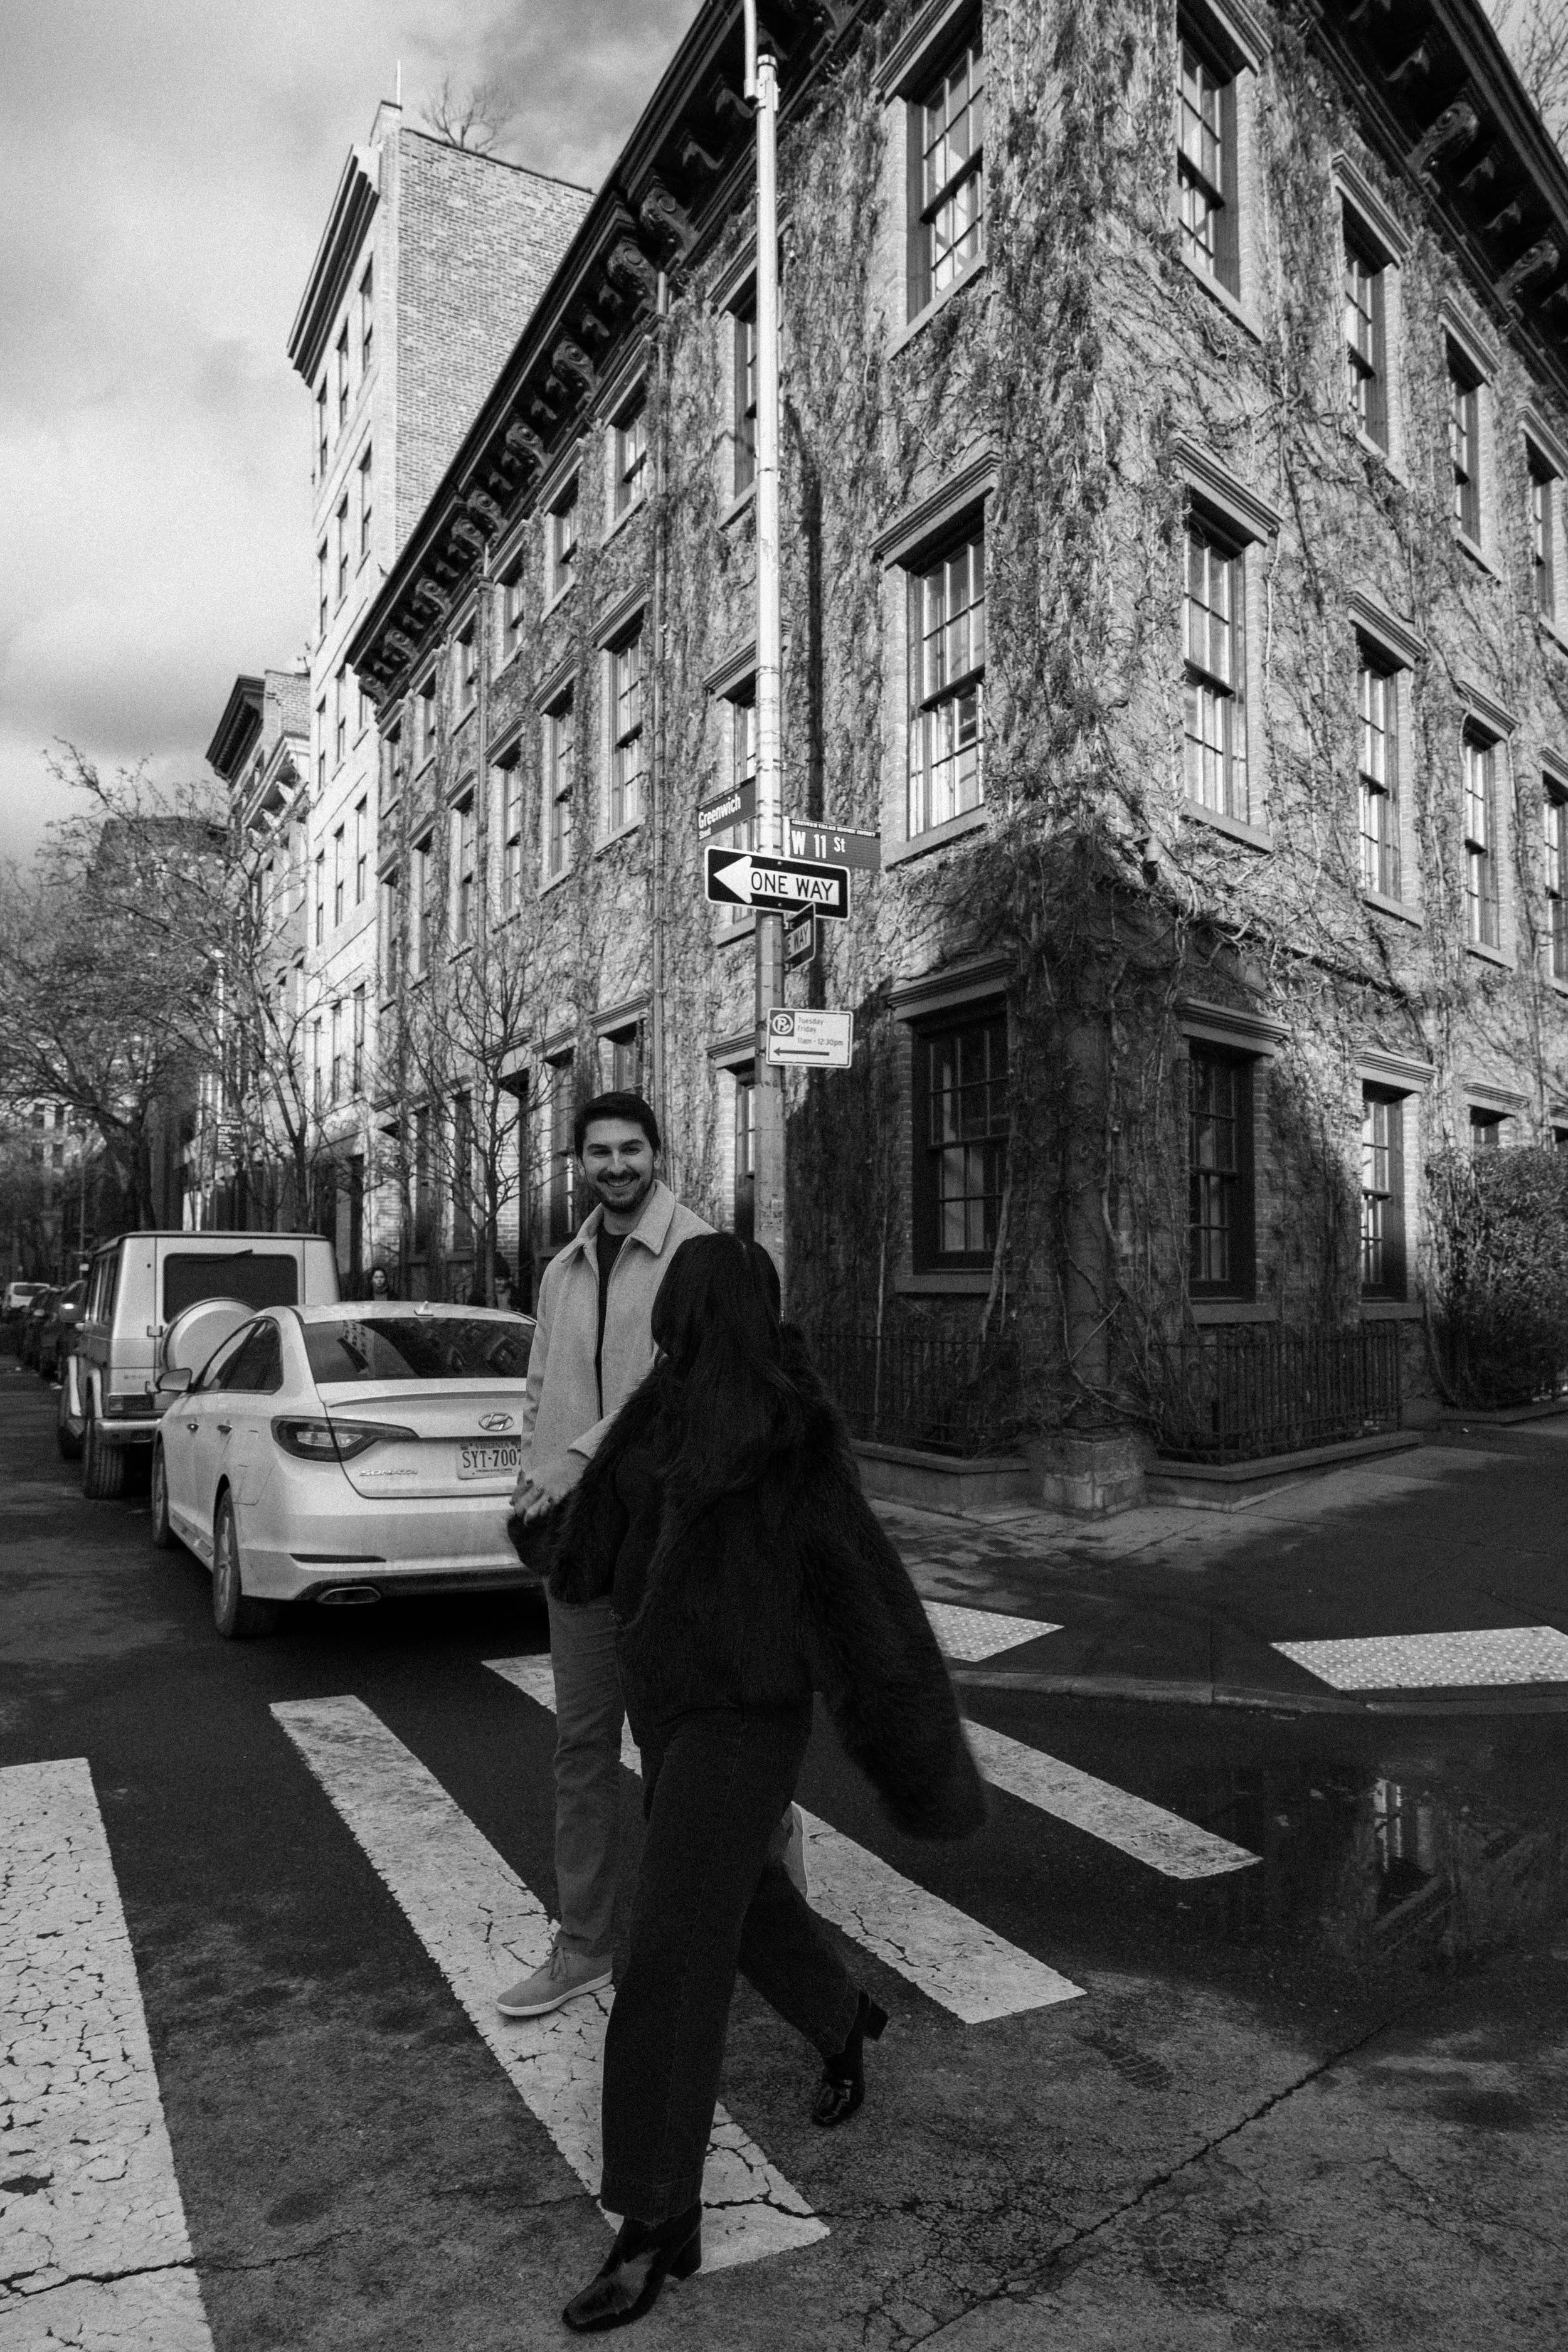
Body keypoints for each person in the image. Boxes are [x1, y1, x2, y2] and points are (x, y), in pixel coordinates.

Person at [553, 1234, 986, 2334]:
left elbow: (872, 1619)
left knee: (669, 1949)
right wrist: (555, 1509)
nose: (662, 1320)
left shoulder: (789, 1438)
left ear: (699, 1310)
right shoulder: (658, 1411)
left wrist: (922, 1769)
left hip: (746, 1719)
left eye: (674, 1303)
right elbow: (585, 1551)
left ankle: (656, 2219)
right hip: (670, 1710)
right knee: (738, 1900)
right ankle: (845, 2020)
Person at [496, 1093, 712, 2021]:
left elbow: (682, 1395)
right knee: (582, 1747)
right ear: (578, 1161)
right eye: (599, 1151)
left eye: (632, 1148)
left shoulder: (703, 1257)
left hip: (668, 1549)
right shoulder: (563, 1267)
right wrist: (528, 1470)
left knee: (694, 1749)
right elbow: (542, 1382)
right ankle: (583, 1944)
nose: (617, 1164)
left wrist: (577, 1456)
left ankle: (755, 1920)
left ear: (658, 1153)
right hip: (583, 1552)